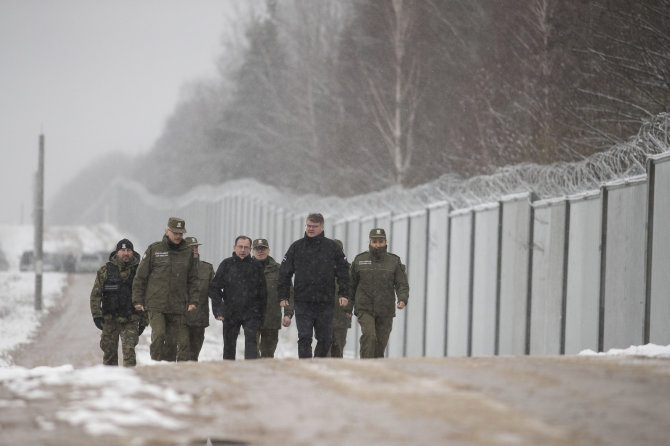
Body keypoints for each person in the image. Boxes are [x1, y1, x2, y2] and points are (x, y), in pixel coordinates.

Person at [278, 213, 349, 359]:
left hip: (325, 302)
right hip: (303, 301)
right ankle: (305, 366)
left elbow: (343, 271)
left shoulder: (332, 248)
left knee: (325, 339)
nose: (310, 229)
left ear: (322, 227)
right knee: (304, 337)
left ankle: (318, 363)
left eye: (314, 226)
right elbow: (285, 272)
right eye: (308, 225)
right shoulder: (297, 247)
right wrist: (283, 295)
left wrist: (343, 293)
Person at [132, 217, 199, 362]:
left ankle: (172, 369)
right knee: (159, 335)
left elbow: (193, 279)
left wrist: (193, 300)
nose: (178, 236)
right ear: (167, 231)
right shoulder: (155, 249)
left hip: (178, 305)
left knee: (177, 341)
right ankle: (156, 364)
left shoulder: (187, 252)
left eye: (181, 233)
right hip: (156, 304)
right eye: (175, 232)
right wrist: (137, 299)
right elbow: (140, 277)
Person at [350, 228, 409, 358]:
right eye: (374, 241)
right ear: (370, 242)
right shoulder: (360, 260)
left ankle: (375, 369)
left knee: (380, 344)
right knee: (369, 336)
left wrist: (402, 299)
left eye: (380, 241)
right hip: (365, 308)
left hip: (385, 309)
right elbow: (351, 285)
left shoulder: (393, 261)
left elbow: (401, 283)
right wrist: (348, 307)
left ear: (385, 242)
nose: (377, 245)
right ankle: (366, 366)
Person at [90, 238, 145, 366]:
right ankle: (111, 383)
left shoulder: (139, 272)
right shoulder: (105, 271)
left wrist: (144, 320)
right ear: (117, 252)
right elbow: (95, 295)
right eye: (123, 250)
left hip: (130, 320)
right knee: (109, 355)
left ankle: (129, 383)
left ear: (132, 252)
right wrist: (97, 316)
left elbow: (146, 296)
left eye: (129, 250)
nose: (126, 253)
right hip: (110, 320)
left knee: (129, 355)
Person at [210, 236, 266, 360]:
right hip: (231, 312)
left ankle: (250, 371)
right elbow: (214, 288)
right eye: (240, 247)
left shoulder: (256, 266)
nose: (243, 250)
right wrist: (218, 309)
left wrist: (262, 314)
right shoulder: (226, 264)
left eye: (246, 247)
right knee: (229, 346)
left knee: (252, 344)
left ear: (250, 249)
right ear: (234, 247)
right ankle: (229, 372)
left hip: (252, 313)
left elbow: (263, 292)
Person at [162, 236, 214, 361]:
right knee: (179, 352)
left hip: (199, 319)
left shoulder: (207, 269)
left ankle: (189, 378)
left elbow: (214, 292)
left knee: (194, 355)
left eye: (196, 246)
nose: (194, 249)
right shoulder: (175, 267)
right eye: (191, 247)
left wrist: (222, 309)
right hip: (180, 317)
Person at [252, 238, 294, 358]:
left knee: (268, 354)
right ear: (252, 251)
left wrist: (288, 313)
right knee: (252, 354)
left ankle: (266, 375)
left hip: (271, 318)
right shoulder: (245, 268)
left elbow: (289, 293)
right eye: (257, 249)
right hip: (251, 318)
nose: (260, 251)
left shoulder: (279, 270)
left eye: (263, 249)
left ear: (268, 250)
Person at [329, 239, 352, 358]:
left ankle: (335, 374)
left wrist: (349, 308)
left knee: (338, 349)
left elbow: (355, 291)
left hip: (342, 315)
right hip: (324, 315)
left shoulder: (350, 270)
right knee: (324, 348)